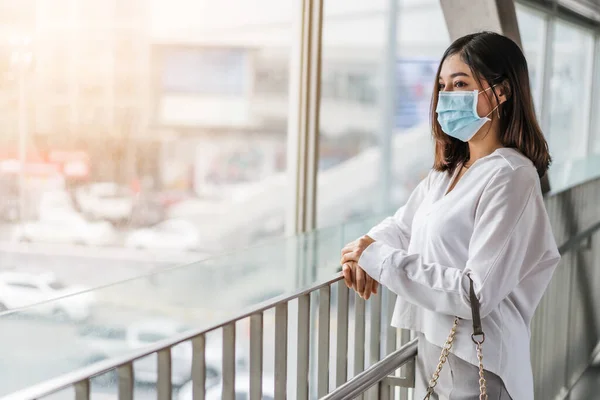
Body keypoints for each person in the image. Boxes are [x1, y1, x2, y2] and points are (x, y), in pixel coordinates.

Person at [340, 32, 560, 400]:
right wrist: (362, 251)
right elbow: (403, 226)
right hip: (435, 347)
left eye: (461, 84)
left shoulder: (511, 176)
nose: (446, 97)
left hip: (480, 365)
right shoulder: (451, 171)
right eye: (443, 86)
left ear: (501, 92)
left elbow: (475, 293)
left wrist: (378, 259)